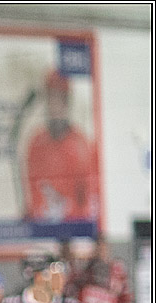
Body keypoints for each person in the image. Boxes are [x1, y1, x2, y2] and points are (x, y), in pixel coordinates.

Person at [23, 70, 99, 222]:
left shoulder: (82, 146)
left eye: (59, 98)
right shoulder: (36, 143)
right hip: (42, 232)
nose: (54, 105)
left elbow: (90, 203)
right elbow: (33, 197)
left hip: (71, 233)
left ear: (67, 102)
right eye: (50, 98)